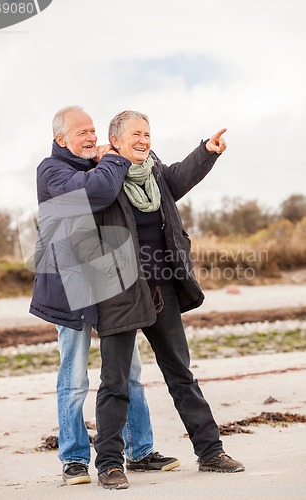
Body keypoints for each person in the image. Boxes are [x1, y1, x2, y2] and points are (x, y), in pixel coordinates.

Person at [75, 110, 245, 489]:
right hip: (118, 293)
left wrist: (207, 151)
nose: (144, 140)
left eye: (148, 133)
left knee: (181, 374)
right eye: (136, 134)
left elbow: (181, 175)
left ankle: (210, 451)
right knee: (114, 381)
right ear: (115, 140)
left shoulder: (156, 173)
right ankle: (109, 464)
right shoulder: (103, 178)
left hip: (162, 288)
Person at [29, 106, 180, 486]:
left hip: (108, 282)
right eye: (81, 132)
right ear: (60, 139)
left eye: (92, 129)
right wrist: (113, 156)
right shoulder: (52, 171)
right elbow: (98, 193)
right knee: (74, 375)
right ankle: (75, 459)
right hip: (71, 286)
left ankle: (140, 450)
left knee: (129, 372)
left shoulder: (94, 167)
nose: (88, 136)